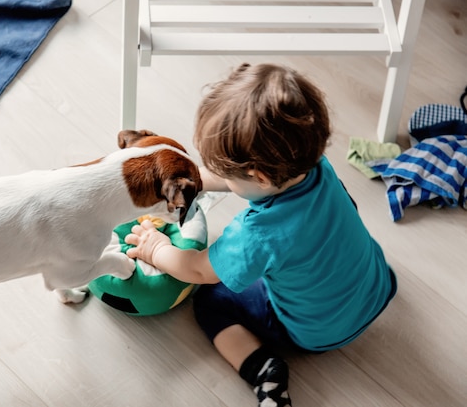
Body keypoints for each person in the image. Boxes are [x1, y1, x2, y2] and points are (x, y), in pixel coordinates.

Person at [124, 63, 397, 407]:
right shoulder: (312, 165)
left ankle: (263, 370)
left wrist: (156, 249)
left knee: (210, 300)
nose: (220, 176)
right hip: (377, 287)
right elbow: (247, 178)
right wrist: (190, 181)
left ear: (260, 177)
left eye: (227, 173)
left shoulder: (259, 235)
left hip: (315, 332)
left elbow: (196, 270)